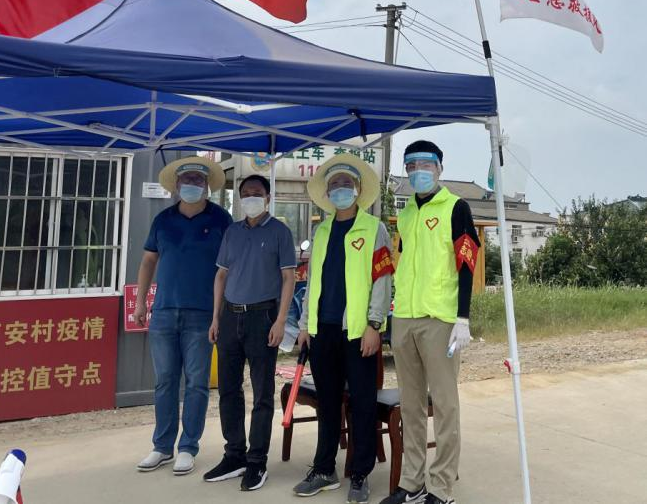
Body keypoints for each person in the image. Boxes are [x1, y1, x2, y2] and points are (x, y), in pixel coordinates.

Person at [381, 141, 481, 504]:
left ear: (439, 167)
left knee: (444, 404)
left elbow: (467, 263)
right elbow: (403, 263)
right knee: (411, 404)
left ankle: (441, 487)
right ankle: (412, 482)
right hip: (405, 318)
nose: (418, 171)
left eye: (425, 164)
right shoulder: (407, 213)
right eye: (411, 165)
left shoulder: (456, 207)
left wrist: (462, 318)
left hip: (440, 320)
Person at [292, 154, 393, 503]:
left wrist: (375, 325)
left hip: (358, 332)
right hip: (322, 331)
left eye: (346, 184)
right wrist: (304, 325)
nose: (340, 189)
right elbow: (312, 284)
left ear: (358, 189)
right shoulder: (321, 231)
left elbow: (383, 280)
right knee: (328, 402)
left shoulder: (374, 228)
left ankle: (360, 474)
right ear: (327, 192)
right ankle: (324, 469)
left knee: (363, 403)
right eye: (334, 185)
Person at [134, 157, 233, 477]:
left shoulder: (221, 219)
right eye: (187, 179)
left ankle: (188, 446)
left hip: (203, 314)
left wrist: (221, 313)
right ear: (176, 185)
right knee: (165, 381)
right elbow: (148, 261)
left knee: (197, 383)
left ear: (207, 185)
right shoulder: (163, 220)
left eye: (198, 179)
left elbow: (229, 267)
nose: (192, 184)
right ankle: (162, 446)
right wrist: (140, 303)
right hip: (163, 312)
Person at [204, 174, 296, 491]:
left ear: (268, 197)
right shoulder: (232, 232)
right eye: (246, 193)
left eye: (257, 192)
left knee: (261, 393)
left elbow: (289, 278)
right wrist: (215, 318)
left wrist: (280, 321)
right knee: (228, 390)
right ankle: (234, 455)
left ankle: (257, 461)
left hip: (263, 317)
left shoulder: (280, 232)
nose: (251, 197)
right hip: (230, 316)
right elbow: (221, 276)